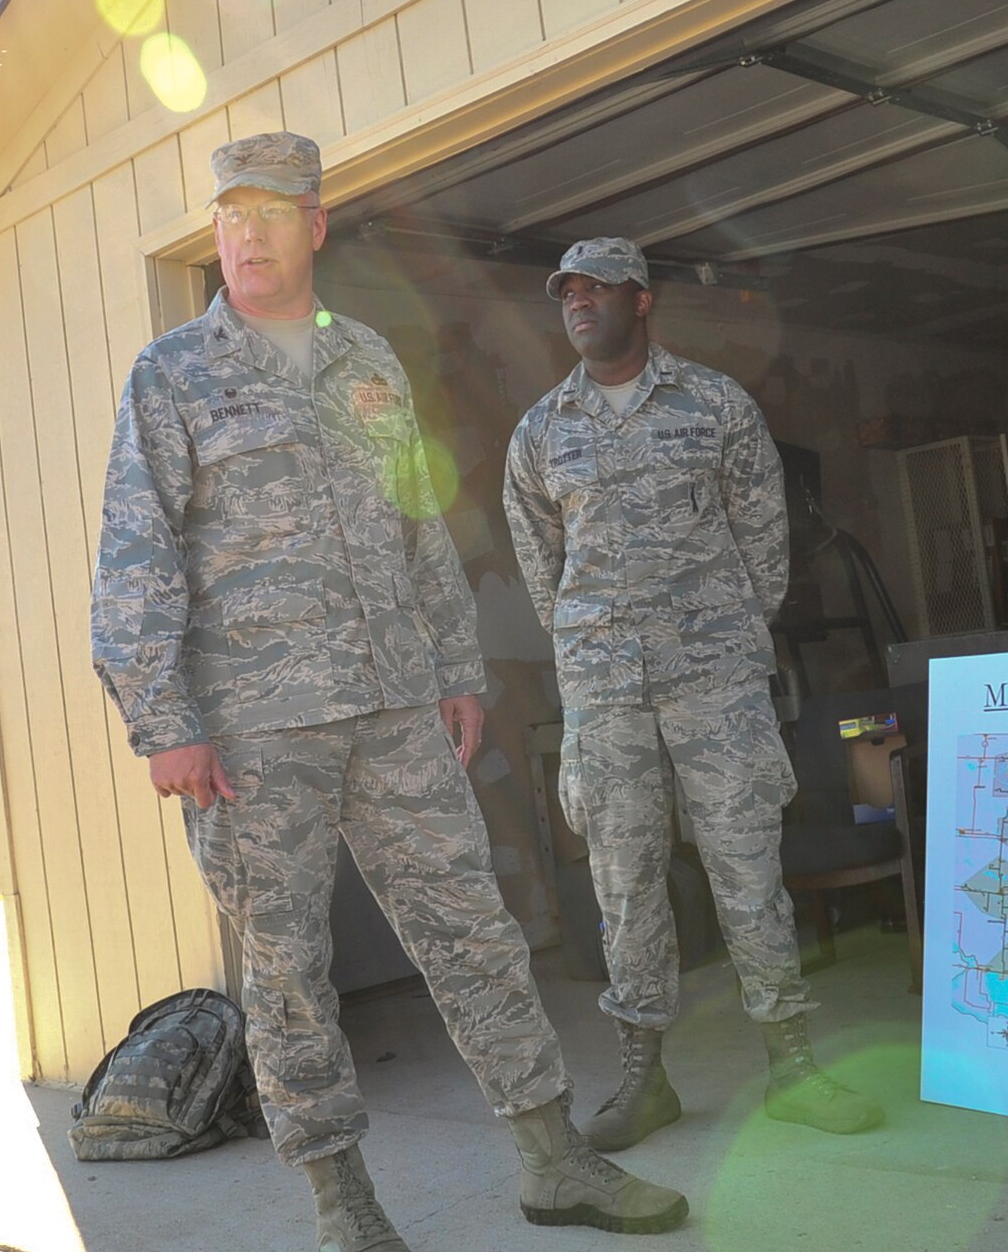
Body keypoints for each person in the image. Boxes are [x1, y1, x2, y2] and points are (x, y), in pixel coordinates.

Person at [92, 133, 687, 1251]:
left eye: (272, 211)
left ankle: (553, 1159)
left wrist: (456, 667)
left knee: (475, 933)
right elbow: (135, 551)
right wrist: (161, 719)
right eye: (229, 214)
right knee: (286, 972)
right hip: (252, 732)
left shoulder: (366, 359)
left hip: (396, 707)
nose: (248, 234)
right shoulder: (171, 374)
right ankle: (343, 1207)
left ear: (315, 225)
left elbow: (417, 523)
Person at [501, 237, 885, 1152]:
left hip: (715, 684)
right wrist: (594, 649)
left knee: (749, 874)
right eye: (569, 292)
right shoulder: (540, 432)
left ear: (644, 300)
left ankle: (792, 1065)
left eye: (599, 290)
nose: (581, 304)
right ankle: (645, 1080)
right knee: (626, 887)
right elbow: (542, 570)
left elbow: (765, 542)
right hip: (607, 694)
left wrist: (721, 632)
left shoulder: (716, 404)